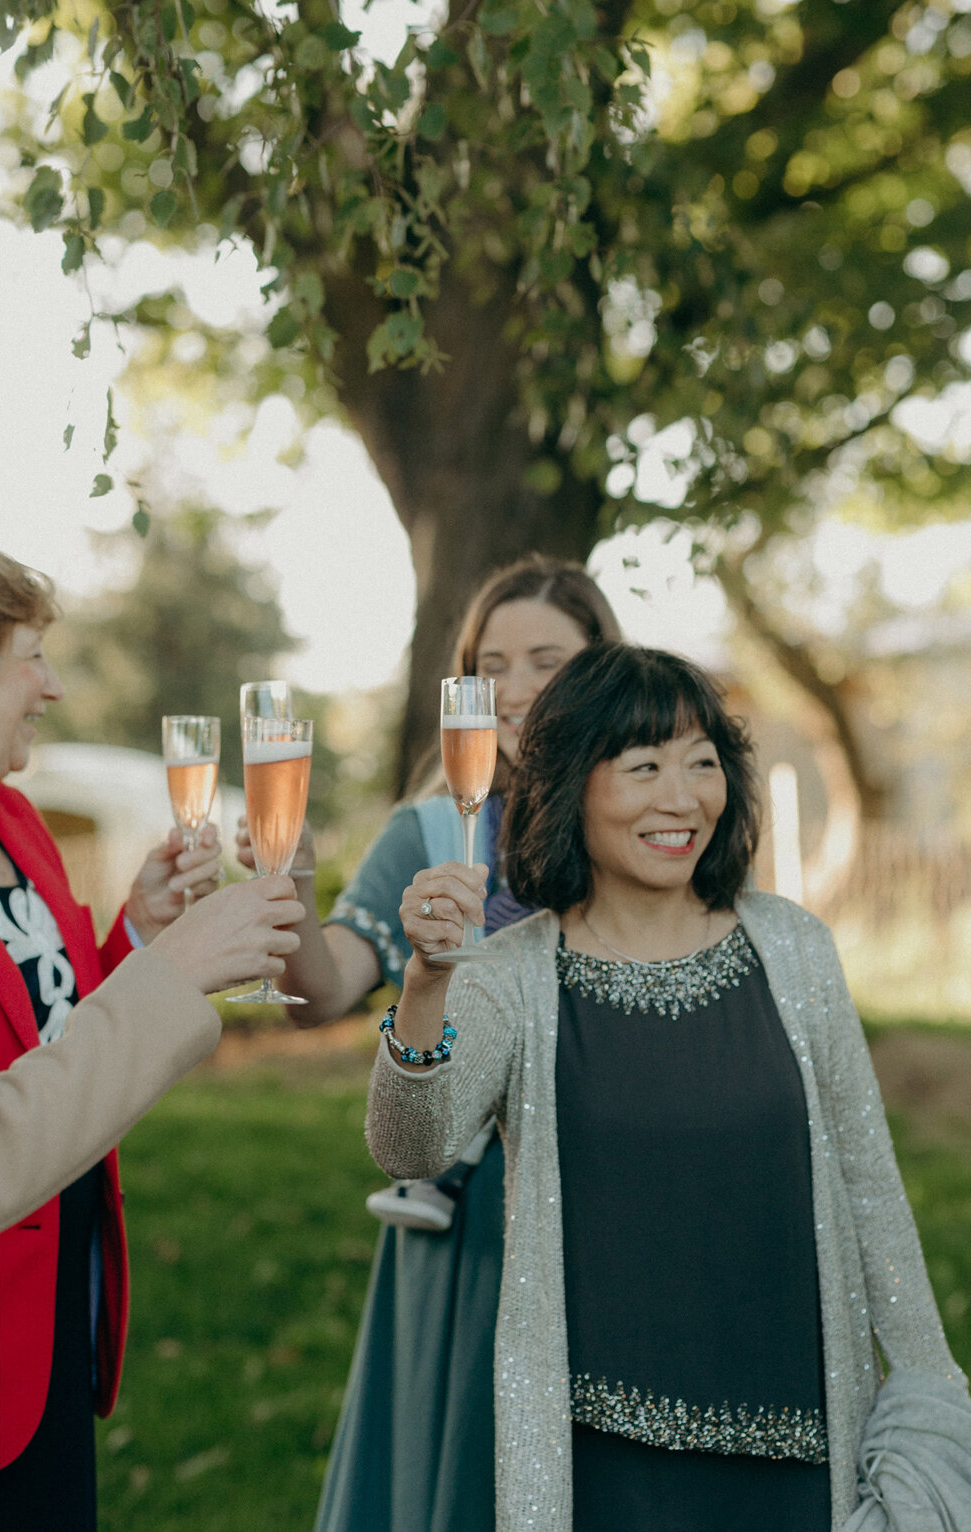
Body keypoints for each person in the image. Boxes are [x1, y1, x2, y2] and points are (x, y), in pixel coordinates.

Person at [369, 643, 971, 1529]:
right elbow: (409, 1146)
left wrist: (934, 1398)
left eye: (704, 764)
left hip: (804, 1459)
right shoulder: (508, 976)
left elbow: (870, 1189)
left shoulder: (796, 949)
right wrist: (426, 987)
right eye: (645, 766)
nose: (682, 797)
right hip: (609, 1475)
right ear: (571, 784)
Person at [248, 555, 620, 1532]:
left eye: (546, 658)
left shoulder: (647, 823)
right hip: (471, 1222)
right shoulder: (427, 831)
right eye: (489, 662)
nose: (514, 685)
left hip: (619, 1206)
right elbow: (319, 990)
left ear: (601, 669)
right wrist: (289, 894)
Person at [0, 553, 305, 1530]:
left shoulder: (13, 819)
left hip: (59, 1311)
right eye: (29, 657)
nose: (50, 684)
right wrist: (175, 972)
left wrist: (136, 930)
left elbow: (51, 1008)